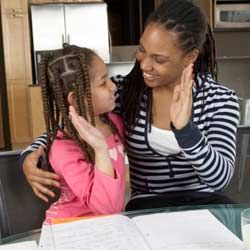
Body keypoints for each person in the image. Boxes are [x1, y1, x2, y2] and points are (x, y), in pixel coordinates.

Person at [21, 0, 239, 210]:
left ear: (190, 57)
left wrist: (185, 131)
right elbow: (75, 124)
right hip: (147, 206)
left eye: (159, 59)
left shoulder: (219, 100)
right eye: (142, 49)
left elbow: (220, 179)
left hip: (206, 203)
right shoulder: (123, 93)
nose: (144, 64)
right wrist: (31, 155)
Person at [34, 44, 125, 223]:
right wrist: (100, 149)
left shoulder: (114, 122)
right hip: (69, 227)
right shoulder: (63, 148)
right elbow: (106, 208)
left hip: (106, 224)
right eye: (103, 82)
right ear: (76, 99)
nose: (113, 86)